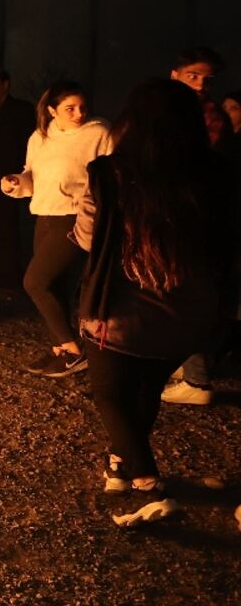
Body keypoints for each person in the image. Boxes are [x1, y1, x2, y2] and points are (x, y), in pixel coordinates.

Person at [72, 79, 235, 521]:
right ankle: (119, 464)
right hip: (190, 315)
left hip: (122, 313)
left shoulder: (111, 172)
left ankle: (147, 481)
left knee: (109, 392)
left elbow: (88, 237)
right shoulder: (218, 173)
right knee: (144, 388)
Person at [1, 81, 112, 377]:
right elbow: (31, 173)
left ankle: (74, 351)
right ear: (52, 111)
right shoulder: (40, 137)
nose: (78, 113)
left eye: (82, 107)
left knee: (35, 282)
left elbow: (110, 177)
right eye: (70, 108)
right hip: (45, 215)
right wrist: (16, 181)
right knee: (56, 286)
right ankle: (61, 351)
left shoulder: (99, 133)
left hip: (74, 217)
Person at [160, 48, 239, 405]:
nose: (201, 84)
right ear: (175, 73)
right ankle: (187, 366)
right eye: (193, 75)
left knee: (185, 291)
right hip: (185, 211)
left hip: (191, 215)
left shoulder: (201, 114)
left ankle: (196, 379)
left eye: (207, 79)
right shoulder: (173, 110)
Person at [0, 69, 36, 286]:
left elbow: (27, 142)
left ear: (5, 85)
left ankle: (11, 270)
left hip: (9, 174)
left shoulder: (19, 110)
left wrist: (20, 172)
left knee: (7, 224)